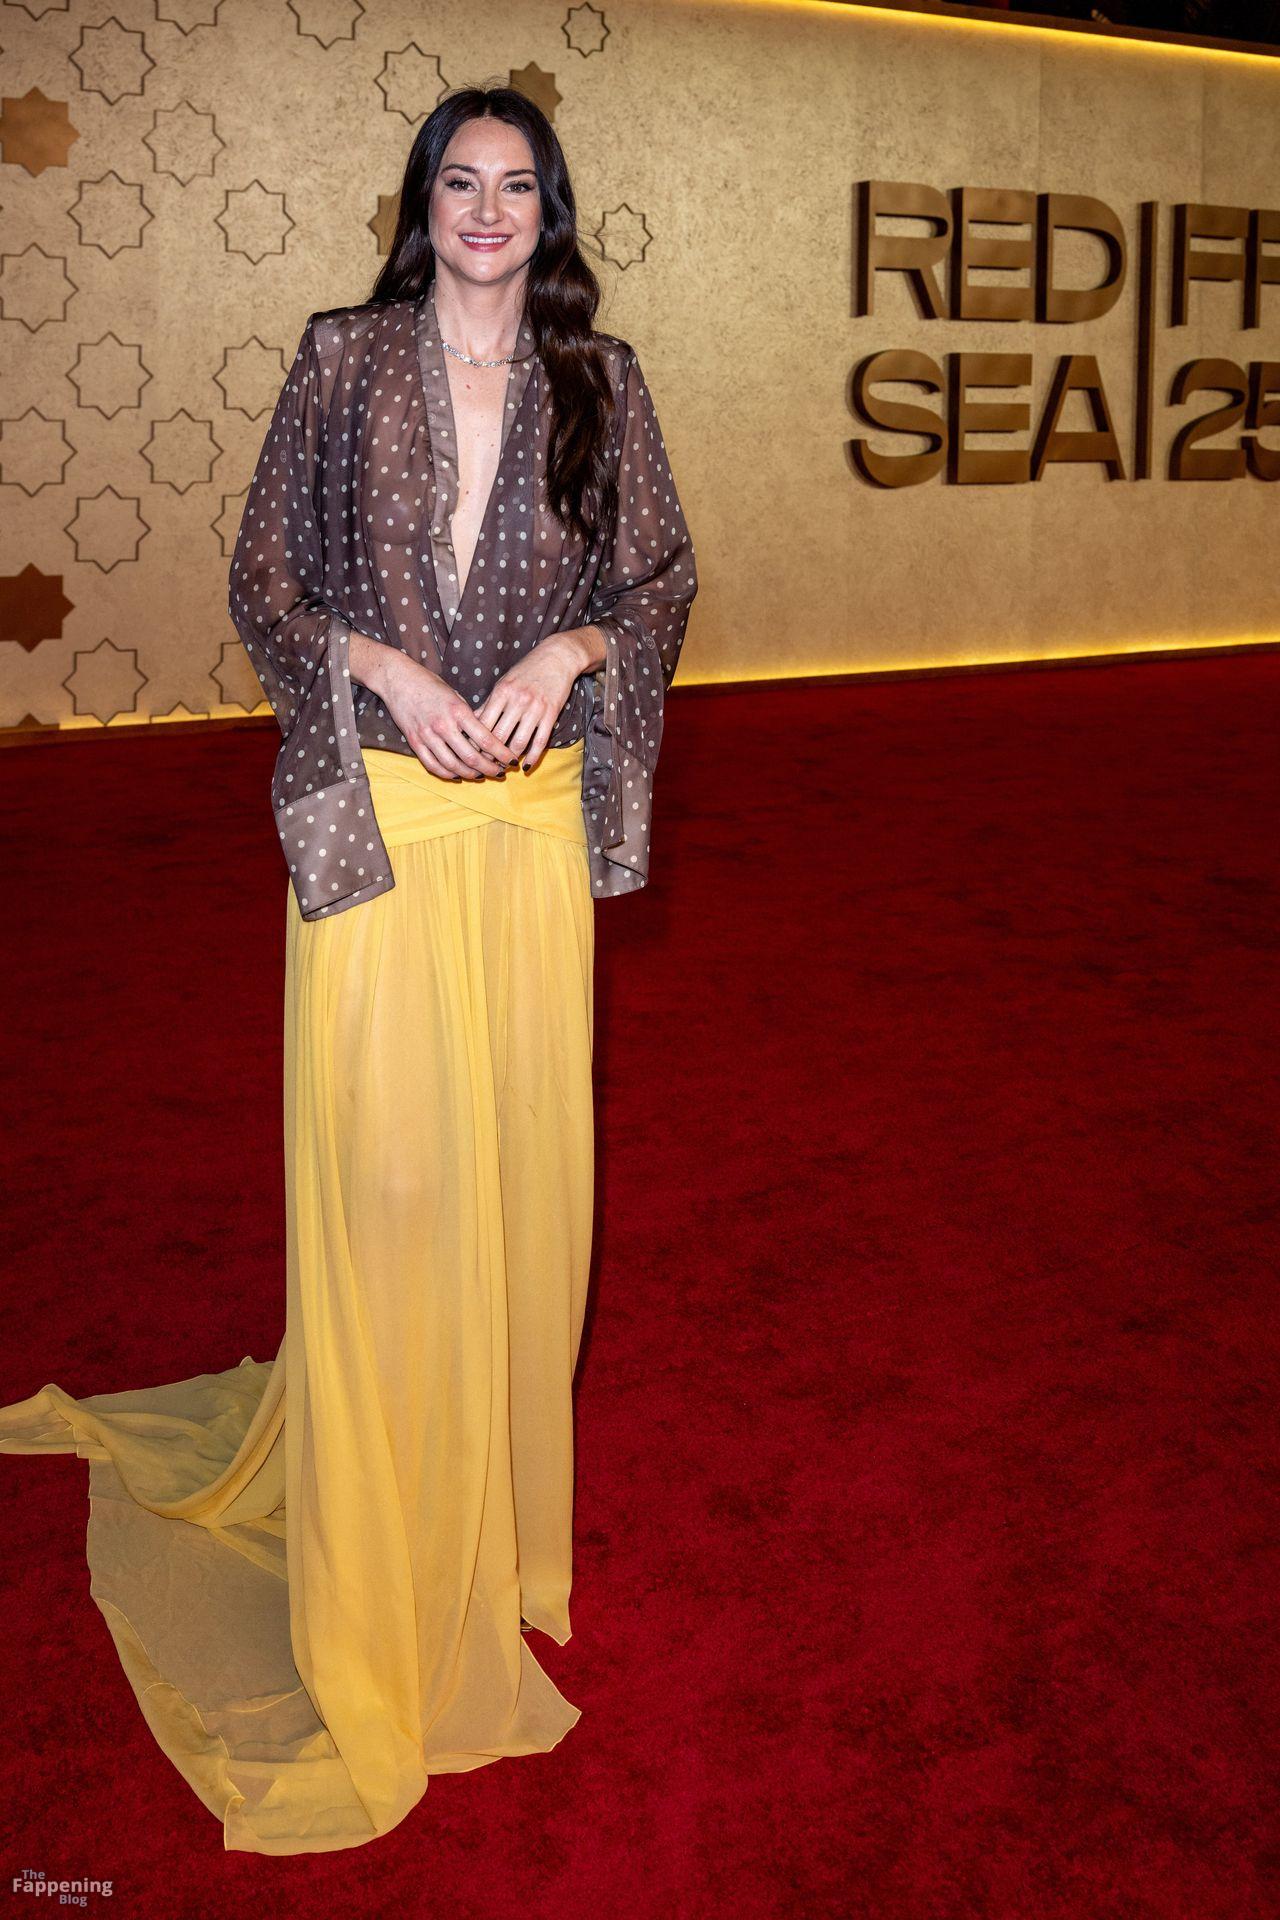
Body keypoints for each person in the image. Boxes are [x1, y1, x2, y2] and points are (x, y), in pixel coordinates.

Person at [0, 84, 697, 1854]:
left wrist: (569, 650)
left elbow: (660, 579)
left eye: (518, 184)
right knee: (391, 1188)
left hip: (525, 836)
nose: (488, 209)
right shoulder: (343, 360)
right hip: (381, 825)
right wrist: (383, 668)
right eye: (460, 181)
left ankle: (490, 1529)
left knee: (516, 1187)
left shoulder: (602, 383)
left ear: (549, 210)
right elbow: (266, 583)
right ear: (422, 202)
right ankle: (384, 1557)